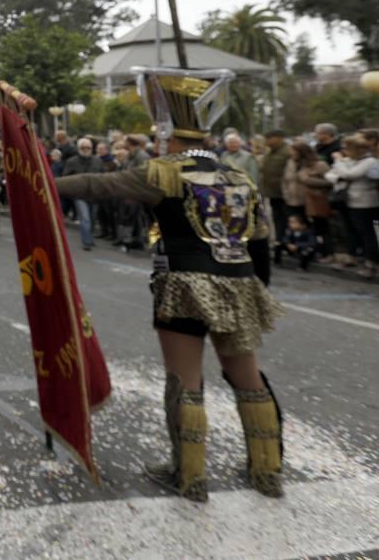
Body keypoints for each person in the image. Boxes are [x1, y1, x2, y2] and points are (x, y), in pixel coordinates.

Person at [49, 68, 283, 503]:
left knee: (184, 380)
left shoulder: (161, 173)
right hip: (240, 282)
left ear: (171, 136)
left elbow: (96, 186)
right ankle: (267, 470)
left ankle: (189, 475)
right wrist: (256, 289)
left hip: (183, 283)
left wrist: (38, 185)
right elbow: (261, 240)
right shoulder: (239, 176)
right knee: (247, 377)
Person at [326, 135, 378, 278]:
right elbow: (330, 175)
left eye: (346, 148)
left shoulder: (369, 161)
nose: (343, 151)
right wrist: (340, 174)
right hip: (347, 201)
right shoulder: (348, 161)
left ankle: (371, 262)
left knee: (367, 233)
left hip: (364, 203)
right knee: (350, 230)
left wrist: (338, 163)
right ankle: (353, 256)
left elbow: (351, 174)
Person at [291, 141, 335, 264]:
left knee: (324, 228)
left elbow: (331, 181)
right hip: (305, 200)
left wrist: (309, 180)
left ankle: (329, 253)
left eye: (294, 152)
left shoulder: (320, 165)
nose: (292, 154)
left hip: (319, 201)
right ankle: (315, 251)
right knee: (314, 228)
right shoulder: (299, 165)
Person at [61, 138, 105, 251]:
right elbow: (65, 177)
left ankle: (89, 237)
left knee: (92, 218)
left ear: (91, 148)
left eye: (88, 147)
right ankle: (86, 242)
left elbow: (104, 175)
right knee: (85, 218)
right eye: (83, 148)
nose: (85, 150)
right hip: (79, 195)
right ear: (78, 148)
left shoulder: (97, 161)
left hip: (94, 194)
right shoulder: (72, 161)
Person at [259, 130, 291, 265]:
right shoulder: (269, 151)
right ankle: (279, 241)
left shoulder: (287, 152)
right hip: (272, 192)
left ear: (279, 138)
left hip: (285, 192)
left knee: (287, 218)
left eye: (269, 138)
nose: (266, 141)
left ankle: (287, 243)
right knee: (277, 219)